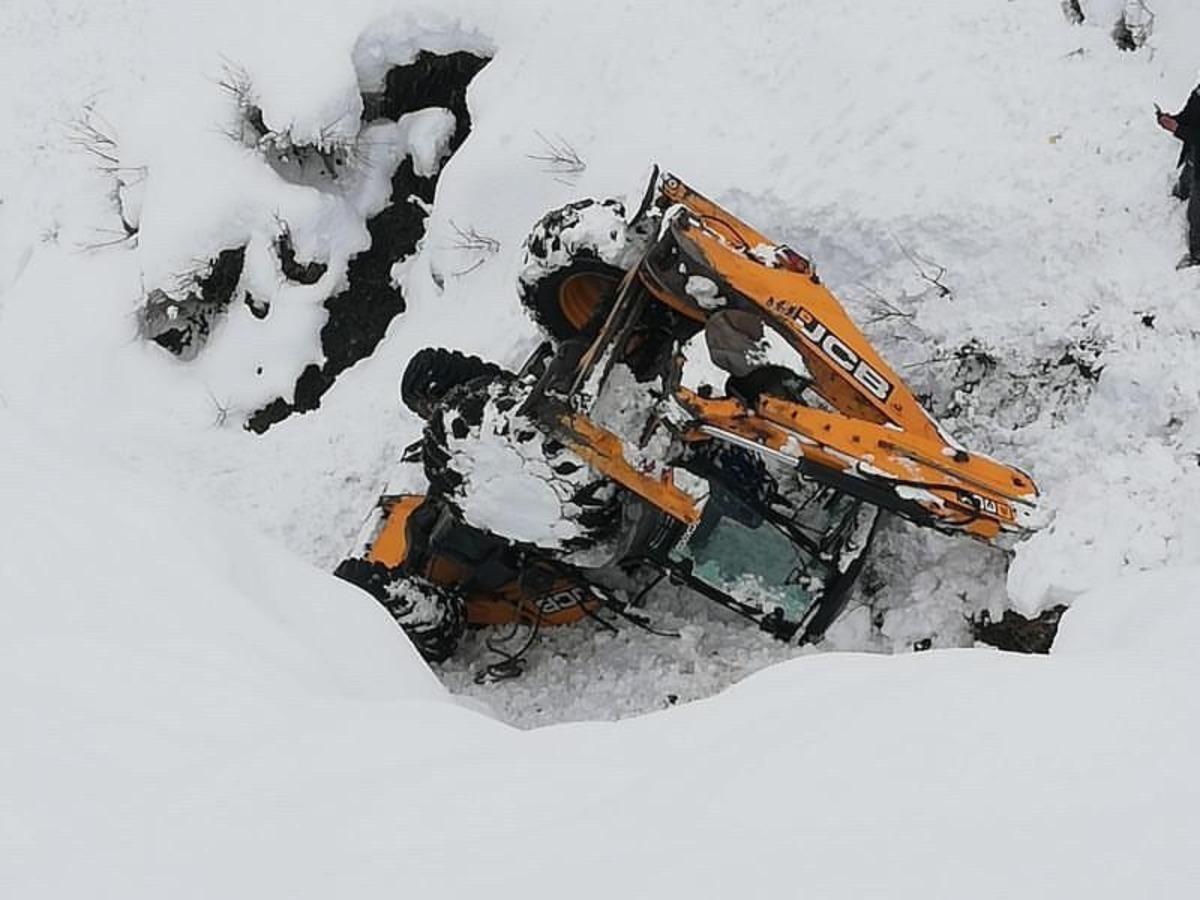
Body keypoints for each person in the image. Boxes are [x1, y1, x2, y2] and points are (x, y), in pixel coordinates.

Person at [1157, 83, 1200, 269]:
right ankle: (1182, 192)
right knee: (1188, 174)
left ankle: (1197, 254)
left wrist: (1177, 129)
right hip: (1194, 153)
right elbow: (1189, 115)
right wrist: (1171, 121)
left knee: (1196, 213)